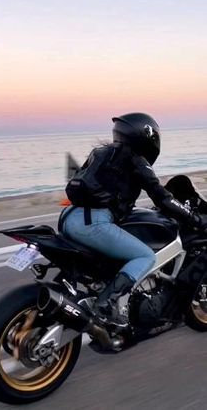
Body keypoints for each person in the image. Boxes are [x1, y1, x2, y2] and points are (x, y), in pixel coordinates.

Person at [60, 112, 206, 327]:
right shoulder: (137, 161)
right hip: (93, 223)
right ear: (146, 136)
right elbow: (163, 198)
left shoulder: (102, 152)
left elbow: (102, 187)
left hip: (69, 216)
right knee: (145, 257)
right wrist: (193, 217)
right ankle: (106, 305)